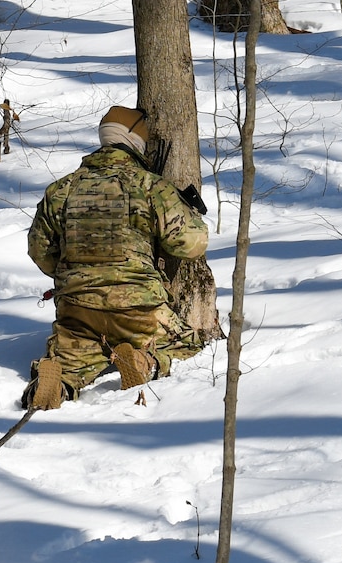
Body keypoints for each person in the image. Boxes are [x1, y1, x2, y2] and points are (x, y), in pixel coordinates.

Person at [23, 106, 210, 410]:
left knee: (69, 361)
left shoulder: (62, 189)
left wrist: (73, 275)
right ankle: (144, 359)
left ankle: (57, 382)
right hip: (139, 310)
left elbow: (39, 250)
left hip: (78, 311)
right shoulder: (150, 186)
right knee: (185, 343)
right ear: (137, 142)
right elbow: (191, 244)